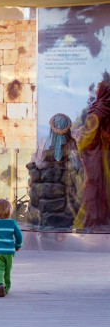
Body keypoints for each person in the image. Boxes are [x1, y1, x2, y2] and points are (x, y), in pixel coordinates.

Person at [74, 79, 110, 230]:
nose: (96, 91)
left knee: (93, 187)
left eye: (98, 89)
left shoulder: (97, 112)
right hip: (104, 155)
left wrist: (77, 145)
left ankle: (91, 221)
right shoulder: (106, 109)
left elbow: (88, 135)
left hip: (94, 155)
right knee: (102, 187)